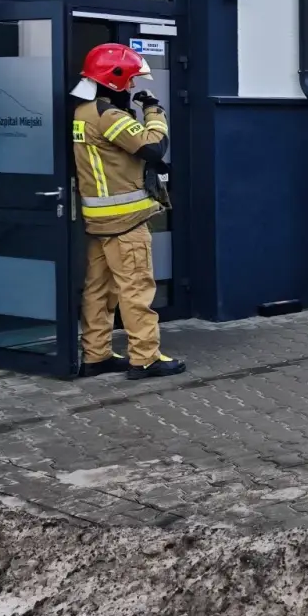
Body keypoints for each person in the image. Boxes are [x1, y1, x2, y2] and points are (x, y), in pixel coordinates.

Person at [71, 43, 185, 379]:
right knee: (136, 290)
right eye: (131, 79)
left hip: (99, 222)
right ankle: (145, 357)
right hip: (126, 223)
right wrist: (154, 111)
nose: (134, 86)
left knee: (98, 290)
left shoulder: (83, 112)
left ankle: (96, 354)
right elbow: (152, 146)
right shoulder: (109, 115)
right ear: (114, 78)